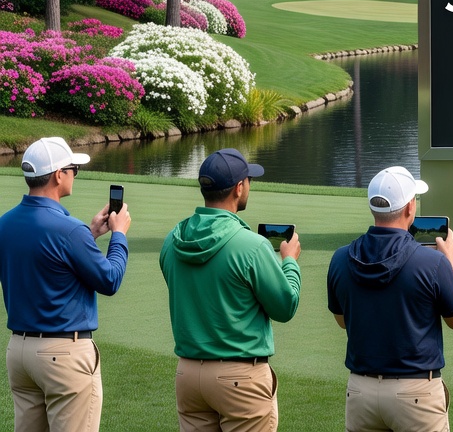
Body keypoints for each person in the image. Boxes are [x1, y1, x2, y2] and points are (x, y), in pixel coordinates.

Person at [159, 148, 301, 432]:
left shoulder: (172, 241)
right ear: (238, 188)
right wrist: (289, 263)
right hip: (239, 377)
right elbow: (285, 307)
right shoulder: (253, 246)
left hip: (188, 374)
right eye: (248, 180)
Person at [0, 136, 130, 432]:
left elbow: (41, 259)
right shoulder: (70, 231)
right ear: (59, 175)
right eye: (73, 169)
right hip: (62, 355)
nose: (74, 175)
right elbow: (109, 280)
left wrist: (90, 235)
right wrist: (118, 235)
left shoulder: (4, 223)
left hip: (19, 354)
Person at [327, 165, 453, 432]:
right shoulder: (434, 262)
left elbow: (342, 320)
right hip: (415, 393)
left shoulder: (340, 258)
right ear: (409, 208)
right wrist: (449, 259)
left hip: (361, 392)